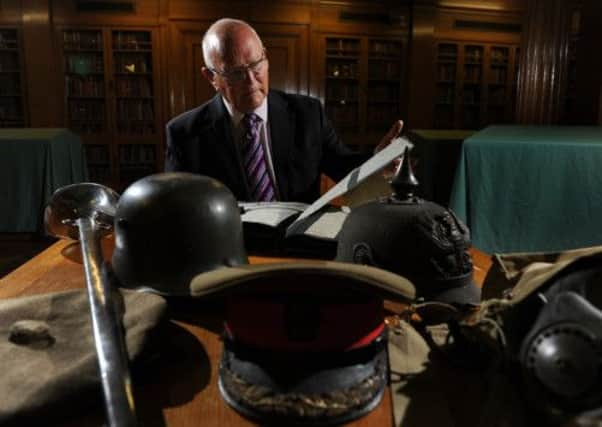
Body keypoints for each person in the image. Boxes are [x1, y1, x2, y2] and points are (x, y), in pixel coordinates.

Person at [165, 18, 403, 203]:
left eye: (256, 65)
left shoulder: (308, 114)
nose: (251, 80)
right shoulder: (185, 133)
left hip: (298, 245)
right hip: (230, 250)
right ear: (211, 77)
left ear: (266, 58)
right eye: (236, 73)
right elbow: (180, 207)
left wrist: (377, 162)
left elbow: (343, 166)